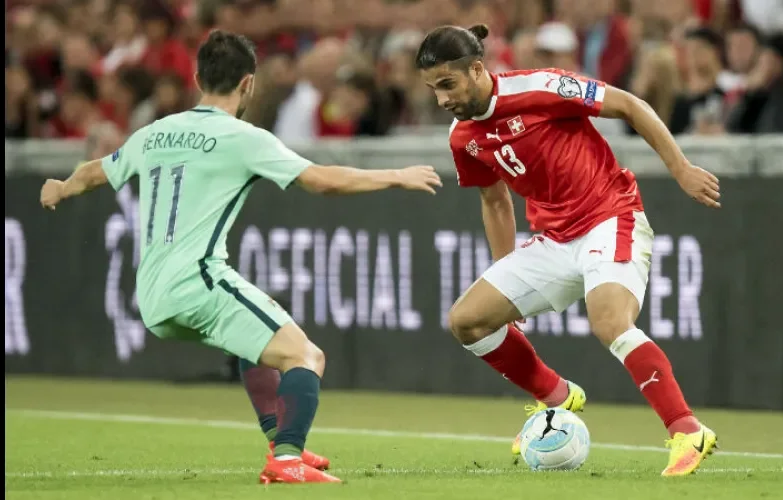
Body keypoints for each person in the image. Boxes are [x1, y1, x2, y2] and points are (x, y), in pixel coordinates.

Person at [39, 29, 442, 485]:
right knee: (306, 357)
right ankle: (286, 458)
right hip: (199, 283)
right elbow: (322, 180)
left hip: (151, 295)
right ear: (248, 83)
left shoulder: (154, 133)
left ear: (197, 79)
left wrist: (62, 187)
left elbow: (98, 170)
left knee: (257, 346)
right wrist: (394, 175)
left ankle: (280, 440)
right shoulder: (242, 138)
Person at [416, 24, 721, 478]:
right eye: (433, 89)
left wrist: (681, 169)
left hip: (609, 216)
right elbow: (495, 201)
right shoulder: (463, 136)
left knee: (609, 322)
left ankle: (686, 430)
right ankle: (557, 397)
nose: (442, 99)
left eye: (448, 84)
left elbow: (630, 105)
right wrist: (507, 276)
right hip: (555, 239)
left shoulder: (541, 87)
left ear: (477, 69)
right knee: (467, 321)